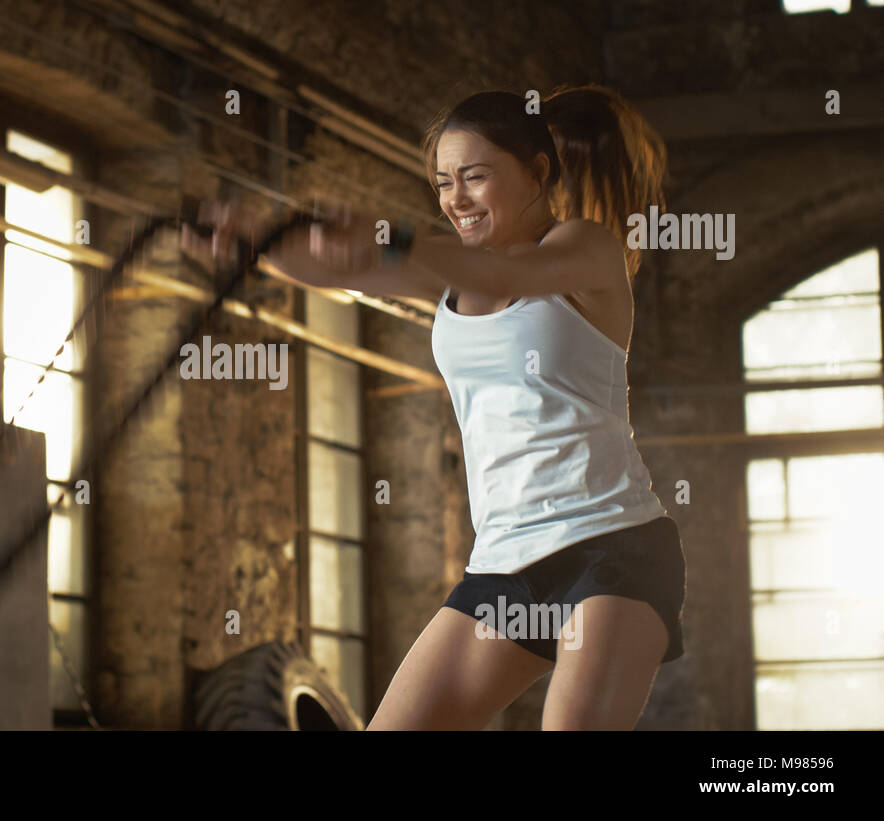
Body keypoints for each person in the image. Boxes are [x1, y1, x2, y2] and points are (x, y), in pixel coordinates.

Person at [182, 85, 685, 730]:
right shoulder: (451, 274)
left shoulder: (585, 249)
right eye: (444, 182)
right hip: (505, 560)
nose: (455, 199)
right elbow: (344, 267)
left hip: (613, 548)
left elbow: (501, 276)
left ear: (537, 172)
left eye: (475, 178)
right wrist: (251, 241)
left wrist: (388, 236)